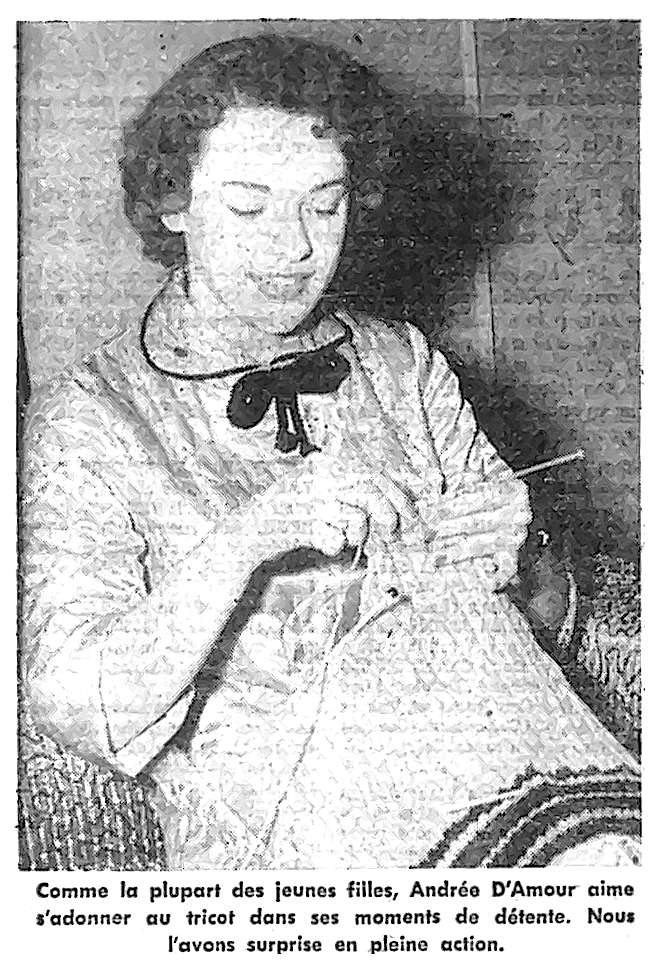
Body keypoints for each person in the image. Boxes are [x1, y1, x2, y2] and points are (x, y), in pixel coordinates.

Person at [22, 35, 639, 870]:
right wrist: (249, 538)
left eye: (324, 205)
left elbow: (543, 632)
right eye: (249, 208)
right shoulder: (92, 415)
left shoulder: (401, 362)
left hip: (512, 769)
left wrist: (519, 554)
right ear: (173, 204)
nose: (294, 248)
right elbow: (76, 705)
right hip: (299, 844)